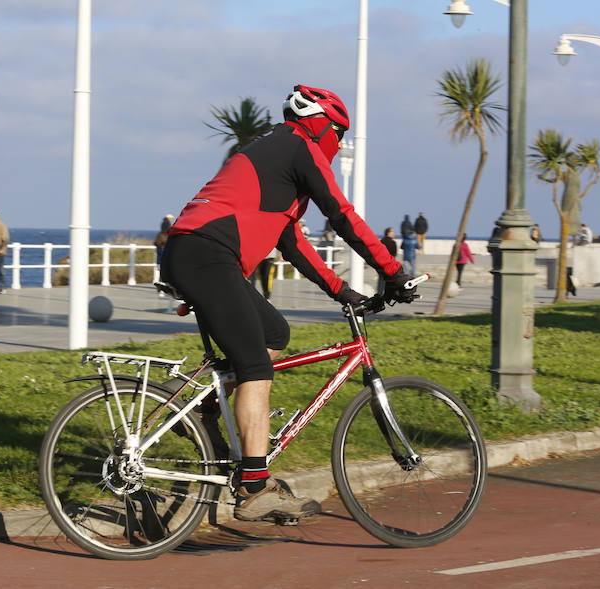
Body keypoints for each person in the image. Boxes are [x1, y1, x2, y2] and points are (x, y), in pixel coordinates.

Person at [161, 84, 412, 523]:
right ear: (325, 125)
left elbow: (291, 240)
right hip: (208, 255)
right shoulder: (301, 146)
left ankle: (202, 410)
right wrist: (392, 271)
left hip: (198, 254)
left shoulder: (274, 153)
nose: (338, 143)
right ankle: (256, 488)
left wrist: (341, 290)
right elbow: (342, 214)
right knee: (256, 366)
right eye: (338, 133)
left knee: (275, 334)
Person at [377, 228, 397, 295]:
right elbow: (394, 254)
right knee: (389, 280)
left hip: (381, 263)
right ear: (388, 233)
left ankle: (379, 293)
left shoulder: (381, 241)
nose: (394, 233)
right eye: (392, 232)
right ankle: (387, 294)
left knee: (381, 279)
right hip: (389, 263)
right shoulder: (393, 243)